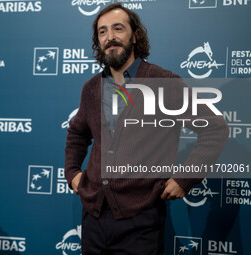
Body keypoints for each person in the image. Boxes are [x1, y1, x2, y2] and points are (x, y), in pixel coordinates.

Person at [64, 3, 229, 255]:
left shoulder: (164, 84)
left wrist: (185, 179)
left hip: (140, 222)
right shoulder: (91, 88)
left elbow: (214, 128)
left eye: (118, 29)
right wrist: (72, 172)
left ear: (135, 35)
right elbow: (77, 134)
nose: (110, 37)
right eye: (102, 32)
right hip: (93, 218)